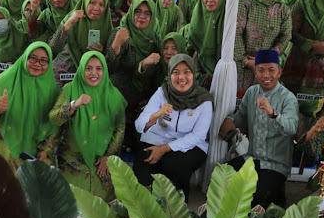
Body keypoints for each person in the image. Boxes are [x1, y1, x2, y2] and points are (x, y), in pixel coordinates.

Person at [219, 49, 299, 208]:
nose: (266, 75)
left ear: (279, 72)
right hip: (252, 158)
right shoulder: (252, 92)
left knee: (251, 199)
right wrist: (230, 120)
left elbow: (292, 128)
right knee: (220, 179)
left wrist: (273, 113)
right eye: (261, 70)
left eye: (271, 70)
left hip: (276, 164)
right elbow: (241, 115)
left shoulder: (288, 98)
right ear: (255, 72)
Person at [42, 52, 126, 201]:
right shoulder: (69, 90)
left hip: (101, 161)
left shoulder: (114, 95)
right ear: (81, 70)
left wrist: (108, 156)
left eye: (99, 68)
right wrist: (74, 105)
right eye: (88, 68)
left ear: (104, 71)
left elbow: (119, 128)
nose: (94, 73)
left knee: (103, 207)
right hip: (71, 161)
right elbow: (54, 119)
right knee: (73, 201)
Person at [133, 54, 212, 200]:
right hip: (157, 138)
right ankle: (149, 207)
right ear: (169, 75)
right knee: (143, 165)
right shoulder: (162, 93)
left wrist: (163, 149)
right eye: (176, 72)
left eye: (186, 72)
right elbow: (139, 125)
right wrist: (156, 116)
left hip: (190, 144)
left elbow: (198, 136)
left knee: (174, 163)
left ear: (193, 75)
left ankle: (179, 206)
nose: (181, 77)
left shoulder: (204, 100)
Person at [0, 41, 59, 167]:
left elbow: (55, 127)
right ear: (25, 58)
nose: (37, 64)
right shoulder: (4, 80)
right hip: (2, 142)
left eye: (44, 60)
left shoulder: (53, 91)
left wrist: (45, 151)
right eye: (33, 58)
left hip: (34, 150)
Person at [235, 0, 293, 95]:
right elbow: (236, 33)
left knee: (261, 105)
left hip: (266, 68)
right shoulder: (246, 4)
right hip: (241, 66)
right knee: (238, 103)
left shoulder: (283, 10)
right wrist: (245, 61)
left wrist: (266, 59)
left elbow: (286, 36)